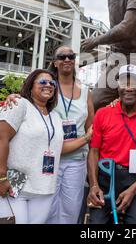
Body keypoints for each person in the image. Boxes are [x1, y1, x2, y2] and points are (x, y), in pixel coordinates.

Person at [0, 69, 65, 224]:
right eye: (42, 82)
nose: (48, 85)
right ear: (30, 86)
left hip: (44, 188)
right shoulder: (19, 104)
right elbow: (1, 138)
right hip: (12, 185)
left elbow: (57, 148)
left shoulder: (56, 116)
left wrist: (87, 138)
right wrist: (1, 177)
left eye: (52, 83)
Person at [87, 64, 136, 224]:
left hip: (135, 181)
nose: (128, 88)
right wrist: (94, 185)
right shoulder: (103, 113)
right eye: (124, 83)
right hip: (105, 178)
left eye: (133, 83)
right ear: (117, 88)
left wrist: (133, 190)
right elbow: (94, 152)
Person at [45, 46, 95, 224]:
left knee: (71, 211)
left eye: (70, 56)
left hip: (76, 161)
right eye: (62, 56)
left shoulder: (86, 90)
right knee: (46, 209)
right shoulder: (48, 87)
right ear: (55, 62)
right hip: (50, 158)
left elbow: (91, 127)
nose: (67, 59)